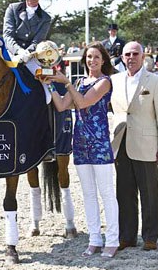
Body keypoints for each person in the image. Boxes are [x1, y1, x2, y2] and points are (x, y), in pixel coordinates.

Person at [44, 41, 119, 258]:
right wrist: (48, 84)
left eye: (96, 57)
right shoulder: (78, 82)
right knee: (88, 194)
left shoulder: (105, 81)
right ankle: (95, 239)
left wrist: (67, 82)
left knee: (106, 193)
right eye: (89, 57)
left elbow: (84, 102)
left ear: (103, 60)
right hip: (81, 143)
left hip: (99, 143)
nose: (92, 60)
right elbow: (61, 105)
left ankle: (112, 239)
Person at [110, 41, 158, 251]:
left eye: (135, 53)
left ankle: (150, 236)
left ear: (143, 56)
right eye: (127, 54)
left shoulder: (156, 81)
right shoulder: (114, 80)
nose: (131, 57)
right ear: (122, 57)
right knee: (124, 192)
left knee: (149, 192)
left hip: (147, 143)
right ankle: (127, 236)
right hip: (120, 142)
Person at [3, 0, 52, 104]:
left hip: (32, 55)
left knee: (47, 93)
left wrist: (27, 54)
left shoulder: (45, 18)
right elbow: (7, 35)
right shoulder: (12, 9)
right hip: (11, 52)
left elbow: (38, 41)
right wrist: (19, 51)